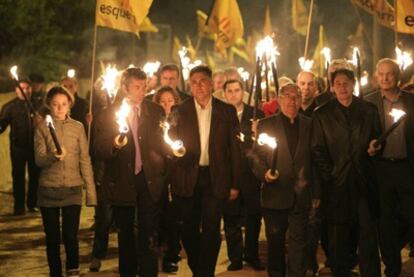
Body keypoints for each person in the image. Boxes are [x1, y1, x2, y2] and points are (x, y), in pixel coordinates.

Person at [93, 67, 167, 277]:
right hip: (122, 180)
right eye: (137, 87)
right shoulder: (108, 115)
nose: (142, 91)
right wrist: (114, 144)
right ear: (125, 88)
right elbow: (98, 148)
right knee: (125, 234)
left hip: (148, 179)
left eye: (144, 86)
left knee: (148, 232)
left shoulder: (154, 111)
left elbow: (163, 141)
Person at [169, 65, 241, 276]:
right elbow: (170, 144)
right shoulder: (179, 111)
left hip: (215, 177)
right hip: (187, 176)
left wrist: (235, 183)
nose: (199, 86)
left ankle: (205, 272)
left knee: (211, 229)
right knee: (188, 229)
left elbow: (235, 150)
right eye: (194, 82)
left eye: (203, 81)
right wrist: (176, 151)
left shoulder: (226, 111)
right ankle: (199, 268)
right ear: (189, 86)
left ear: (211, 83)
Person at [311, 68, 381, 276]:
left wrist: (375, 147)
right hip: (337, 184)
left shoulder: (369, 110)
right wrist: (332, 174)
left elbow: (378, 138)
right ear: (332, 87)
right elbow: (317, 149)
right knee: (338, 235)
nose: (342, 87)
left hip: (363, 181)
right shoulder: (322, 114)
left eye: (346, 82)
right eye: (338, 83)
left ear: (353, 84)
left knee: (367, 234)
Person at [249, 83, 317, 276]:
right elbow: (255, 157)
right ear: (279, 99)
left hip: (301, 193)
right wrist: (265, 174)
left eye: (295, 96)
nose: (291, 101)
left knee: (299, 242)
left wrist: (316, 191)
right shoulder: (266, 124)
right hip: (275, 192)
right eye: (287, 96)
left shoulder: (309, 124)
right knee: (276, 243)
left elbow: (315, 160)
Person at [34, 86, 97, 277]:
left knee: (70, 235)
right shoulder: (42, 128)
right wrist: (53, 156)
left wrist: (91, 192)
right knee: (52, 238)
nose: (59, 108)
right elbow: (39, 159)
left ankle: (73, 270)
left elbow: (84, 159)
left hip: (72, 189)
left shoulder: (78, 127)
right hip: (49, 189)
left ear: (69, 104)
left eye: (63, 104)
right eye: (55, 104)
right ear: (49, 106)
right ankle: (55, 272)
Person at [365, 58, 414, 277]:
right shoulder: (368, 103)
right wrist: (368, 147)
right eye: (381, 74)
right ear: (376, 77)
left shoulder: (411, 101)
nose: (385, 78)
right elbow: (361, 135)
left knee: (409, 215)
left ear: (398, 77)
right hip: (381, 169)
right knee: (384, 221)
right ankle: (392, 267)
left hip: (407, 168)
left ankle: (398, 243)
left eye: (390, 74)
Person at [222, 79, 265, 271]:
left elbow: (265, 145)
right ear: (224, 94)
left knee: (253, 216)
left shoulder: (256, 114)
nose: (233, 94)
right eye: (229, 91)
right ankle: (235, 257)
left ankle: (251, 254)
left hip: (251, 172)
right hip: (229, 173)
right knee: (231, 217)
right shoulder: (219, 114)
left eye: (237, 90)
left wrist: (258, 132)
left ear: (243, 92)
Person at [152, 86, 182, 273]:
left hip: (177, 173)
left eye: (170, 100)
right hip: (158, 174)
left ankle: (172, 254)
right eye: (162, 101)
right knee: (158, 215)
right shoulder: (153, 121)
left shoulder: (181, 120)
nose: (166, 104)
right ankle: (158, 250)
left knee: (174, 217)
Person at [0, 77, 40, 215]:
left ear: (31, 89)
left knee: (35, 176)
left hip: (35, 148)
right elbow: (2, 125)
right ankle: (19, 207)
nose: (25, 91)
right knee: (18, 177)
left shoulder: (38, 105)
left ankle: (32, 203)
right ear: (16, 90)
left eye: (27, 88)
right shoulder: (9, 107)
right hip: (18, 148)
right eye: (21, 88)